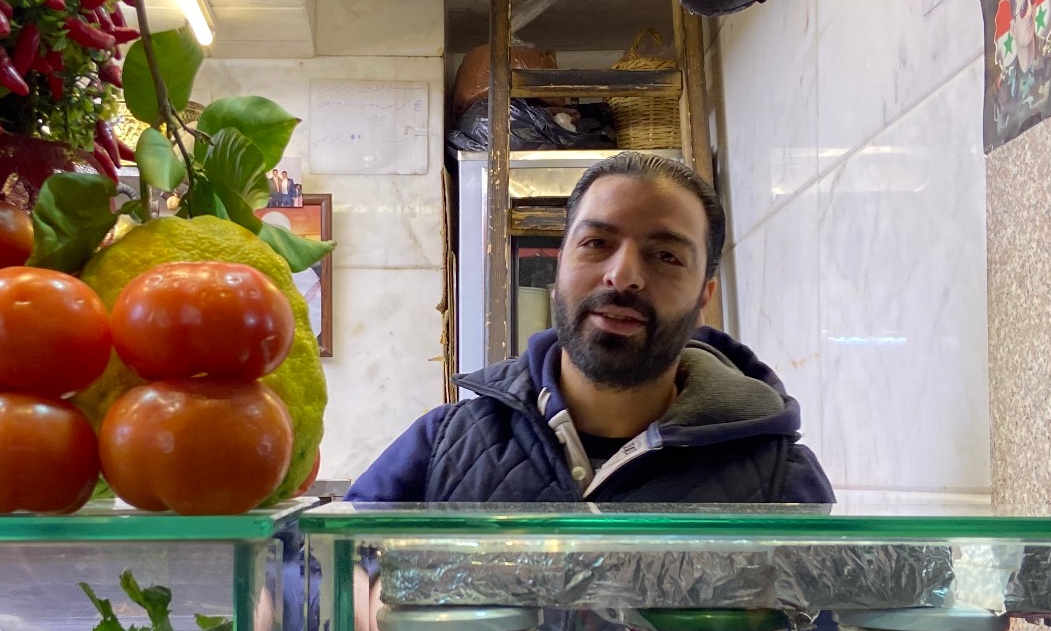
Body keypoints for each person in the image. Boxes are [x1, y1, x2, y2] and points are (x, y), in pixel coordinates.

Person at [349, 151, 833, 504]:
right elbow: (316, 570)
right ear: (559, 266)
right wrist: (363, 585)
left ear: (704, 296)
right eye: (597, 243)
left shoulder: (779, 477)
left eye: (666, 256)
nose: (623, 275)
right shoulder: (442, 443)